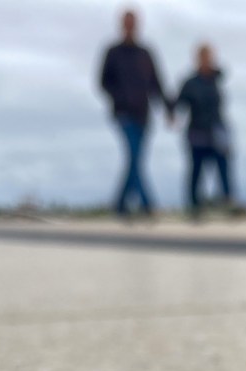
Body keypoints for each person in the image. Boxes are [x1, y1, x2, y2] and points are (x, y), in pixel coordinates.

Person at [99, 9, 172, 218]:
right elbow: (103, 81)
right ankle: (148, 205)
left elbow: (157, 83)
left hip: (143, 114)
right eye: (127, 22)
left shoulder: (145, 53)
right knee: (134, 156)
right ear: (122, 24)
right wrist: (120, 98)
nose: (130, 26)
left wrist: (168, 108)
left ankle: (120, 205)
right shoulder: (113, 52)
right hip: (123, 114)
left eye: (133, 23)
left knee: (135, 159)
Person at [173, 44, 234, 220]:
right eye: (204, 56)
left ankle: (228, 202)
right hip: (197, 132)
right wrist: (172, 114)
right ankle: (194, 207)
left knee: (223, 167)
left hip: (217, 131)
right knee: (196, 171)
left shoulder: (216, 79)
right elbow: (179, 103)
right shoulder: (190, 83)